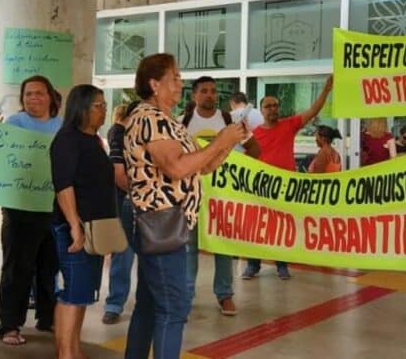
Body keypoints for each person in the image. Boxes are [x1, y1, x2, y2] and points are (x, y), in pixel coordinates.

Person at [124, 53, 244, 359]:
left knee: (151, 304)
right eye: (175, 78)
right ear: (154, 84)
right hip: (161, 223)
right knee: (173, 308)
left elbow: (199, 167)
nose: (181, 84)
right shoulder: (150, 119)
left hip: (169, 222)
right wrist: (219, 142)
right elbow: (176, 169)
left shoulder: (168, 121)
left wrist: (227, 142)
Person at [180, 76, 259, 316]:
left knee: (223, 246)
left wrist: (237, 166)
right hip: (191, 197)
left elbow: (255, 149)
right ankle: (186, 296)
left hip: (223, 198)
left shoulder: (229, 121)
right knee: (188, 248)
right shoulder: (182, 122)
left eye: (213, 91)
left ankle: (225, 295)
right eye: (204, 91)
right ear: (194, 95)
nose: (209, 95)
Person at [50, 84, 117, 359]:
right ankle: (65, 353)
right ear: (82, 108)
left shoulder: (93, 139)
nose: (104, 111)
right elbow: (63, 185)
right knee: (72, 292)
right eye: (98, 106)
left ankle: (74, 349)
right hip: (74, 229)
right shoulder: (67, 139)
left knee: (83, 293)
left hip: (96, 229)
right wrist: (75, 226)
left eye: (104, 105)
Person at [243, 75, 333, 280]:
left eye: (275, 105)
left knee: (282, 227)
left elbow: (312, 111)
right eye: (268, 106)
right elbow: (246, 160)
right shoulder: (254, 134)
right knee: (256, 226)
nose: (273, 109)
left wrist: (326, 91)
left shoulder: (289, 125)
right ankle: (252, 265)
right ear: (262, 110)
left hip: (285, 187)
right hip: (261, 188)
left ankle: (282, 265)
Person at [0, 75, 61, 345]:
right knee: (17, 268)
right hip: (20, 208)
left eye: (39, 93)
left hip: (54, 208)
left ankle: (47, 319)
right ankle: (10, 325)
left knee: (49, 267)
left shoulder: (62, 126)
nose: (33, 98)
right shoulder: (14, 124)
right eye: (28, 94)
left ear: (50, 96)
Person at [102, 103, 136, 325]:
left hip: (144, 201)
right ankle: (114, 303)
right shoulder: (119, 131)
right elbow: (118, 172)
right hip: (128, 199)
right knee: (123, 253)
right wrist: (138, 194)